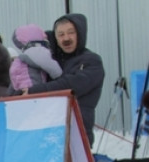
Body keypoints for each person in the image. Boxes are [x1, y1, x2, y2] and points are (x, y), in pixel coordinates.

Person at [20, 14, 105, 145]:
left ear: (80, 34)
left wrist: (34, 91)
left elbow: (70, 85)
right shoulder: (49, 60)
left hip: (77, 134)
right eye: (61, 34)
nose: (66, 38)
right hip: (48, 132)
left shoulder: (92, 61)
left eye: (71, 33)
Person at [10, 24, 63, 91]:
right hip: (32, 84)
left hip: (20, 87)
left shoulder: (24, 55)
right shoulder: (36, 50)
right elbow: (48, 63)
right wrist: (59, 75)